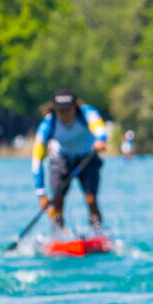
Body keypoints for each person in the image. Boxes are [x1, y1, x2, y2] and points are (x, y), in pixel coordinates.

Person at [31, 90, 108, 236]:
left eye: (68, 110)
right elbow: (37, 161)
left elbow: (99, 128)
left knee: (91, 200)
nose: (64, 114)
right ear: (55, 110)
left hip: (87, 158)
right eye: (60, 111)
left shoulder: (86, 113)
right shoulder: (48, 124)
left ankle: (97, 233)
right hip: (61, 160)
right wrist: (41, 194)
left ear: (75, 107)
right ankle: (60, 235)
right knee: (57, 202)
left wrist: (101, 139)